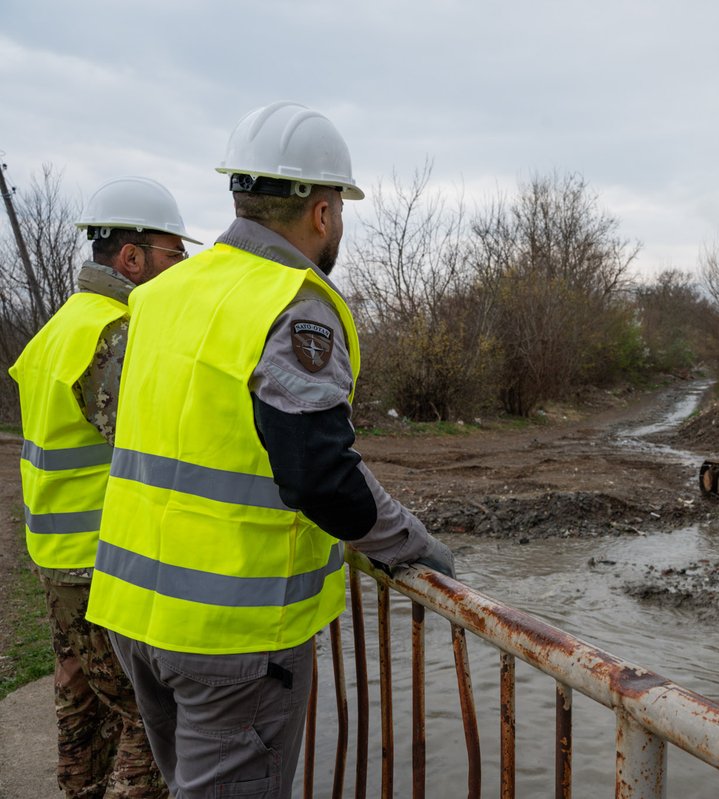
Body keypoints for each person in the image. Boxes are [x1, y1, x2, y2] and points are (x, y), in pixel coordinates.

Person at [85, 101, 456, 798]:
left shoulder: (163, 295)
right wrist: (409, 542)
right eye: (339, 207)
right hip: (230, 636)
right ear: (322, 212)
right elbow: (319, 472)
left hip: (134, 613)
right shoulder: (292, 304)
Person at [8, 175, 197, 798]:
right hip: (102, 567)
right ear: (133, 258)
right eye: (175, 253)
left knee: (79, 702)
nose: (184, 265)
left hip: (56, 557)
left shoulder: (58, 328)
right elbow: (147, 449)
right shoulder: (114, 335)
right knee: (149, 716)